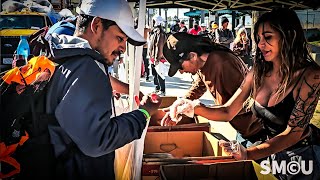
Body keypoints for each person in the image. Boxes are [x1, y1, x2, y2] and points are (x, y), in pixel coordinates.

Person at [16, 0, 162, 179]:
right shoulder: (87, 69)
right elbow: (98, 141)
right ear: (97, 25)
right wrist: (143, 114)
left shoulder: (60, 53)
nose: (123, 48)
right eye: (120, 38)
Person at [168, 8, 320, 179]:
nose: (261, 44)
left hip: (302, 156)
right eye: (259, 38)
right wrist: (193, 108)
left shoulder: (311, 75)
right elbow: (227, 111)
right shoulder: (258, 71)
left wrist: (248, 153)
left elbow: (294, 133)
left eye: (268, 37)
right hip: (270, 152)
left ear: (289, 37)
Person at [161, 32, 264, 148]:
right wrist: (181, 103)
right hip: (242, 129)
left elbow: (246, 103)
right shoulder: (202, 63)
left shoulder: (223, 64)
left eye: (180, 67)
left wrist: (198, 109)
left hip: (257, 130)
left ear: (193, 56)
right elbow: (199, 86)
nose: (181, 72)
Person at [149, 15, 167, 96]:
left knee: (160, 74)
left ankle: (162, 90)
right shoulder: (154, 31)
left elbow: (160, 46)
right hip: (154, 57)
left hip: (158, 58)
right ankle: (157, 88)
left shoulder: (160, 33)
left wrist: (157, 58)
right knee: (155, 74)